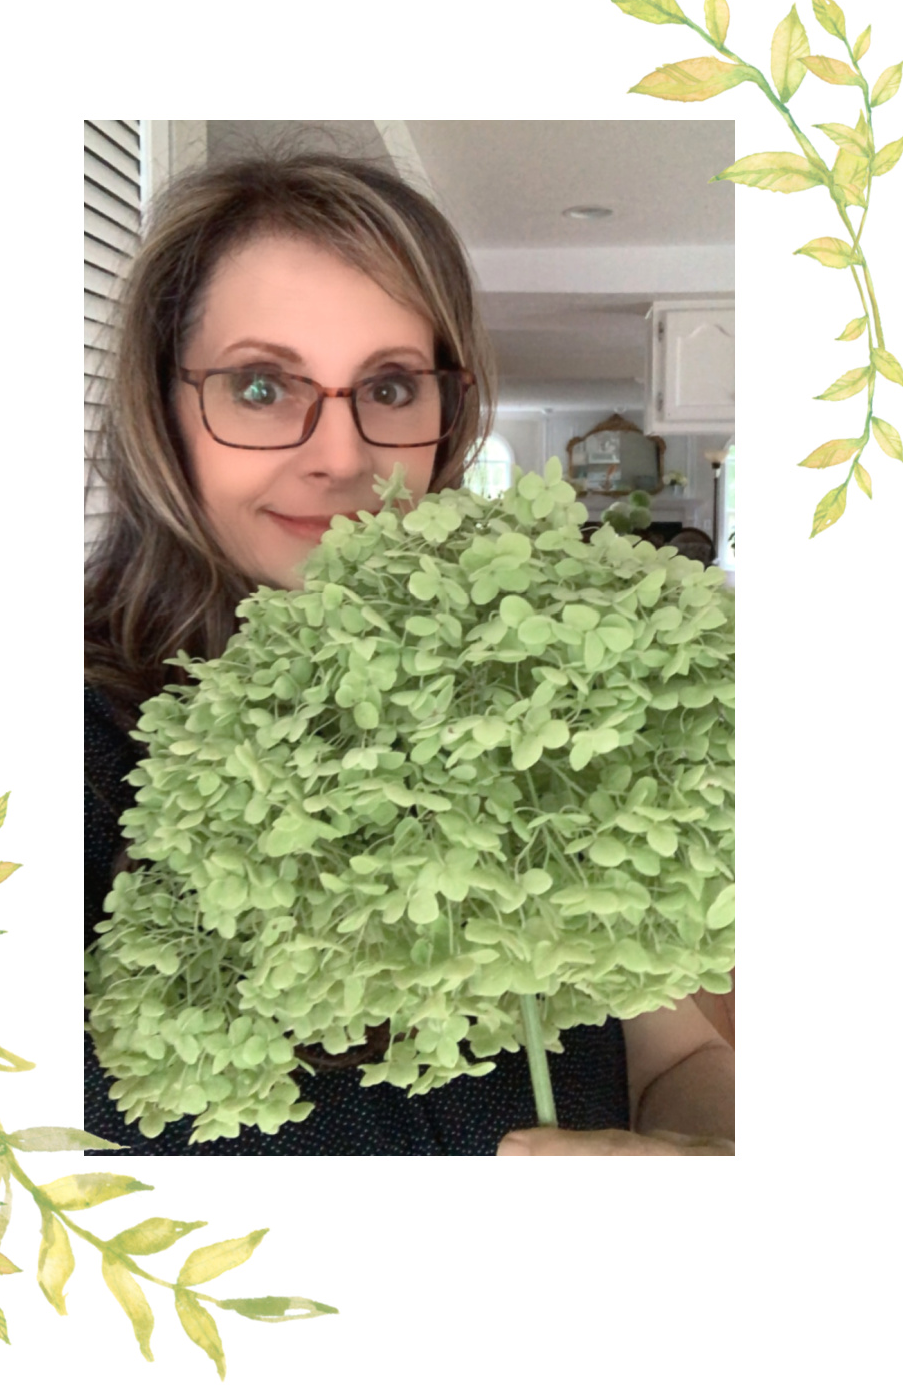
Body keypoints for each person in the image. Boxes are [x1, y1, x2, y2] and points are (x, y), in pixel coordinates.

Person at [85, 144, 734, 1157]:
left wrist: (707, 1152)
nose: (341, 458)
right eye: (261, 387)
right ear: (164, 408)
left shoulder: (542, 685)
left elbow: (676, 1056)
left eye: (389, 387)